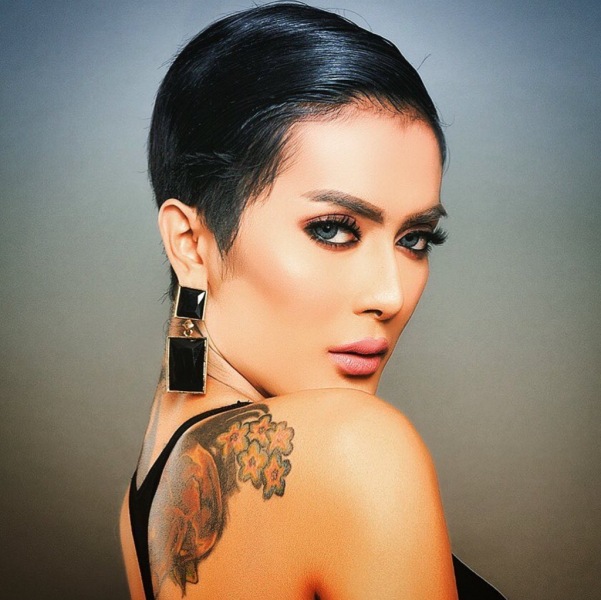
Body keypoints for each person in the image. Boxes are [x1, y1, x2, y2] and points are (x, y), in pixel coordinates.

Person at [120, 3, 506, 598]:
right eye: (333, 229)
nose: (389, 295)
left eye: (415, 239)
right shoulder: (355, 449)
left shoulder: (146, 495)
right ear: (191, 243)